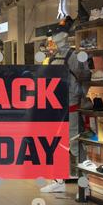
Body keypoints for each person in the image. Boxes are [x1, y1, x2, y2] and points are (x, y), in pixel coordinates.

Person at [41, 16, 90, 193]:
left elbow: (84, 79)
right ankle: (58, 180)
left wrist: (82, 97)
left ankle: (86, 184)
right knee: (56, 145)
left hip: (71, 108)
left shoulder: (74, 57)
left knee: (75, 145)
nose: (54, 40)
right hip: (56, 108)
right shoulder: (54, 57)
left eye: (58, 36)